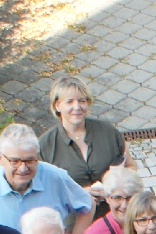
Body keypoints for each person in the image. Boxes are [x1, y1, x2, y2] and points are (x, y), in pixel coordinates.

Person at [37, 75, 136, 223]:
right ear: (57, 105)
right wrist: (80, 193)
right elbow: (43, 193)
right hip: (75, 225)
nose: (77, 107)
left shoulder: (108, 131)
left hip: (116, 219)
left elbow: (130, 166)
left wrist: (115, 186)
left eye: (82, 101)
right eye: (69, 101)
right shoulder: (45, 146)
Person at [0, 123, 93, 234]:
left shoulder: (55, 177)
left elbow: (88, 204)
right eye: (15, 161)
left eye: (29, 160)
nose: (23, 168)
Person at [75, 165, 145, 234]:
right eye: (117, 198)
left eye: (130, 198)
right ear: (107, 198)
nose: (124, 205)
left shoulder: (154, 223)